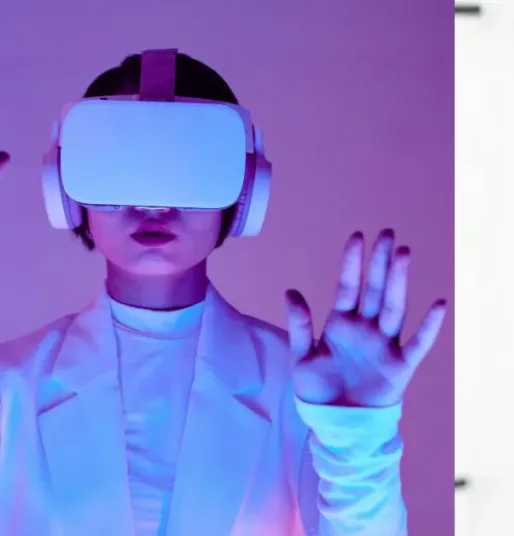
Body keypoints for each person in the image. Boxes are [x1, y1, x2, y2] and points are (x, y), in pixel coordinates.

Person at [0, 53, 446, 535]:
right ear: (67, 187)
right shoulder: (10, 385)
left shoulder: (303, 391)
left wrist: (357, 439)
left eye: (190, 167)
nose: (155, 203)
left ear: (244, 189)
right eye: (120, 162)